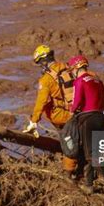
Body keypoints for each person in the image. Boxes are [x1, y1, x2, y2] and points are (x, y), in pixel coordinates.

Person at [68, 55, 104, 201]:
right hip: (101, 118)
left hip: (88, 119)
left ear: (77, 68)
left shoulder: (79, 81)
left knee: (91, 155)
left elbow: (77, 101)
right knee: (92, 152)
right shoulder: (98, 81)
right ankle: (89, 185)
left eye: (72, 69)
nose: (72, 72)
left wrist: (71, 110)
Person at [22, 45, 78, 179]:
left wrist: (34, 121)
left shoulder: (46, 79)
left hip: (63, 117)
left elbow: (40, 102)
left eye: (39, 63)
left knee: (68, 143)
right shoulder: (68, 68)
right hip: (79, 111)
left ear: (43, 61)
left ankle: (69, 173)